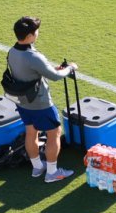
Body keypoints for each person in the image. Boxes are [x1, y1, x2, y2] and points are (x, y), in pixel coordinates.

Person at [7, 16, 80, 182]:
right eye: (36, 31)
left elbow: (30, 72)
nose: (38, 33)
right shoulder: (34, 56)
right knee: (54, 133)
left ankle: (37, 167)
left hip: (22, 101)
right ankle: (52, 172)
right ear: (30, 35)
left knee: (31, 132)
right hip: (40, 103)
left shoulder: (12, 51)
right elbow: (55, 76)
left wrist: (51, 69)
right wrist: (70, 68)